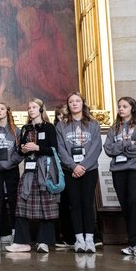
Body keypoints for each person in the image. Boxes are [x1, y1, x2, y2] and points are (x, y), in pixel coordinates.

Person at [5, 98, 59, 253]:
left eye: (34, 107)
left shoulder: (49, 128)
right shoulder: (25, 128)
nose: (31, 110)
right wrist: (23, 149)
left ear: (41, 109)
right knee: (21, 204)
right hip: (29, 170)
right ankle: (21, 242)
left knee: (45, 205)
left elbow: (54, 150)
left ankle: (44, 241)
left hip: (45, 170)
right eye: (29, 107)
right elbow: (19, 150)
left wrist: (37, 147)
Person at [55, 91, 101, 253]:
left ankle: (89, 239)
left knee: (87, 204)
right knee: (74, 205)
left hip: (89, 170)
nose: (74, 104)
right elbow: (60, 149)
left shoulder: (93, 124)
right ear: (68, 105)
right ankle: (79, 239)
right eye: (71, 102)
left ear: (83, 104)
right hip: (70, 170)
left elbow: (96, 147)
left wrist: (83, 166)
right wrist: (73, 166)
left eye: (77, 101)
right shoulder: (61, 126)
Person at [103, 96, 136, 257]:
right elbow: (108, 149)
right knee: (126, 206)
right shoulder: (114, 127)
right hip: (118, 170)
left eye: (125, 106)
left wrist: (119, 147)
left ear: (132, 109)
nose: (121, 109)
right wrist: (129, 143)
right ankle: (133, 242)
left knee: (134, 201)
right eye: (119, 106)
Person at [0, 102, 21, 247]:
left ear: (8, 111)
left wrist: (11, 163)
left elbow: (20, 151)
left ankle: (15, 233)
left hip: (11, 169)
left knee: (14, 201)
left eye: (2, 109)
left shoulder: (16, 131)